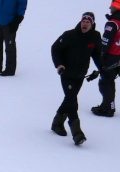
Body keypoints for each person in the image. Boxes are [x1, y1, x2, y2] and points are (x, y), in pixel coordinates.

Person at [50, 12, 103, 146]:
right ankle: (77, 134)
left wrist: (100, 70)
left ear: (92, 24)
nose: (85, 24)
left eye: (88, 22)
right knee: (72, 101)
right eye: (83, 21)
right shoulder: (69, 35)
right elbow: (55, 48)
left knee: (69, 99)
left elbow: (97, 54)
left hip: (80, 76)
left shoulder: (95, 37)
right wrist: (59, 64)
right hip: (66, 74)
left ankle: (57, 124)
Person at [92, 0, 120, 116]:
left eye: (111, 6)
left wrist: (101, 56)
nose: (109, 8)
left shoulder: (113, 23)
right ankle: (109, 106)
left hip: (111, 57)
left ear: (116, 7)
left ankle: (108, 108)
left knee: (105, 83)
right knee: (109, 82)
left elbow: (105, 42)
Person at [0, 0, 26, 75]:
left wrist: (17, 21)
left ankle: (10, 70)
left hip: (9, 24)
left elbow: (22, 6)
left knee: (10, 48)